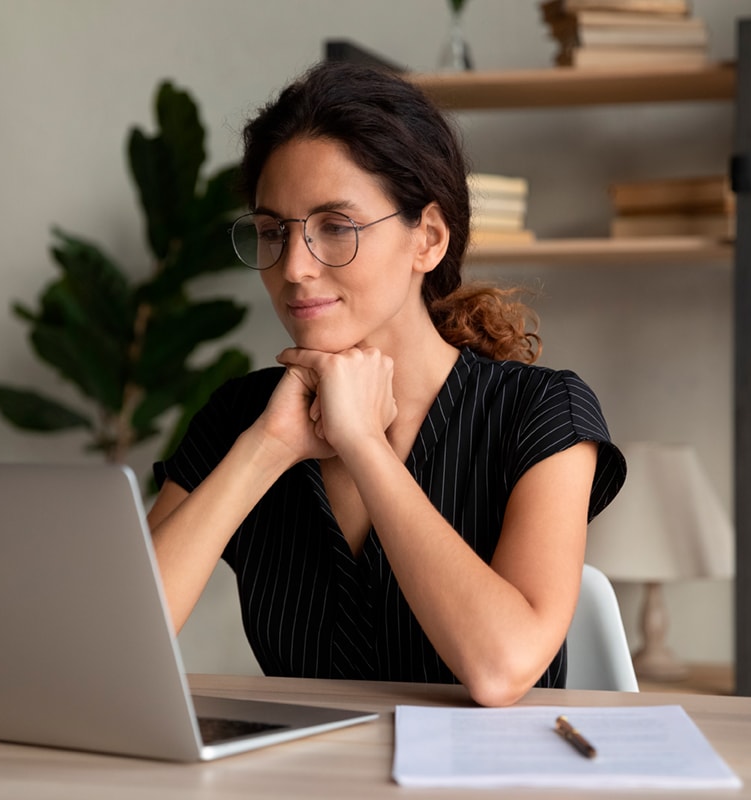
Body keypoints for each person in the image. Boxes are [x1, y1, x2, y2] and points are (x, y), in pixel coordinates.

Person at [148, 60, 625, 707]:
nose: (293, 268)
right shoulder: (245, 419)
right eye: (272, 232)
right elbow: (117, 645)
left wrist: (365, 446)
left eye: (335, 228)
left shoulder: (541, 413)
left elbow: (501, 667)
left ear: (426, 238)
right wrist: (268, 450)